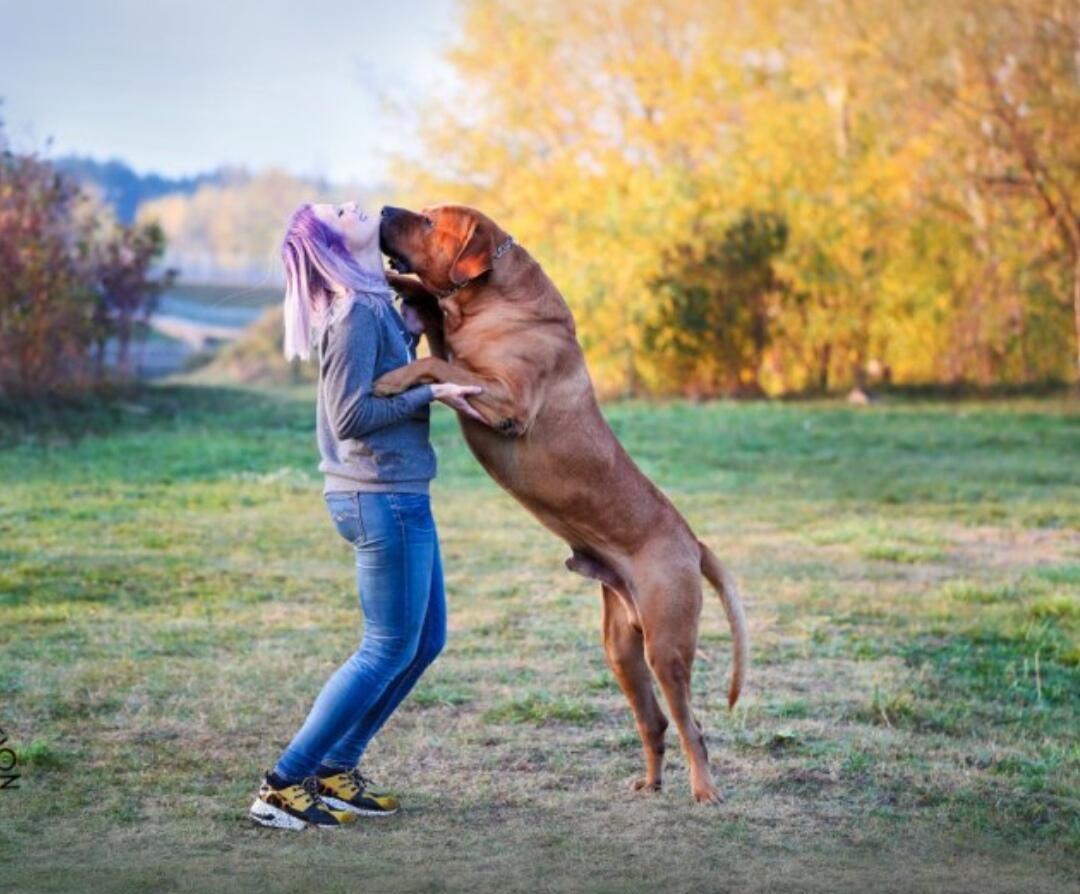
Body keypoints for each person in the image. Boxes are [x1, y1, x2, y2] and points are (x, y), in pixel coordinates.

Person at [248, 201, 481, 831]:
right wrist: (430, 390)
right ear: (333, 243)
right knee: (384, 649)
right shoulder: (351, 313)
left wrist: (412, 333)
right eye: (338, 210)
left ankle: (336, 769)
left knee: (424, 641)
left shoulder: (374, 302)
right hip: (378, 496)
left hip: (400, 492)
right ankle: (282, 785)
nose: (354, 204)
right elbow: (352, 419)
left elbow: (382, 370)